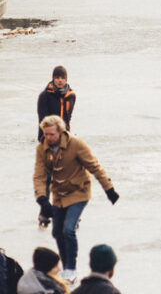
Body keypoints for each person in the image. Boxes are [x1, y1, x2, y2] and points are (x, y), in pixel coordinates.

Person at [34, 116, 118, 284]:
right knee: (57, 232)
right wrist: (42, 199)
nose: (47, 138)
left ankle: (71, 268)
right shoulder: (42, 149)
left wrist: (109, 189)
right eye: (45, 134)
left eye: (51, 134)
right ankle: (65, 266)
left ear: (60, 132)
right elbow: (40, 174)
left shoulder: (76, 145)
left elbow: (94, 166)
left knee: (68, 230)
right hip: (58, 195)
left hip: (78, 192)